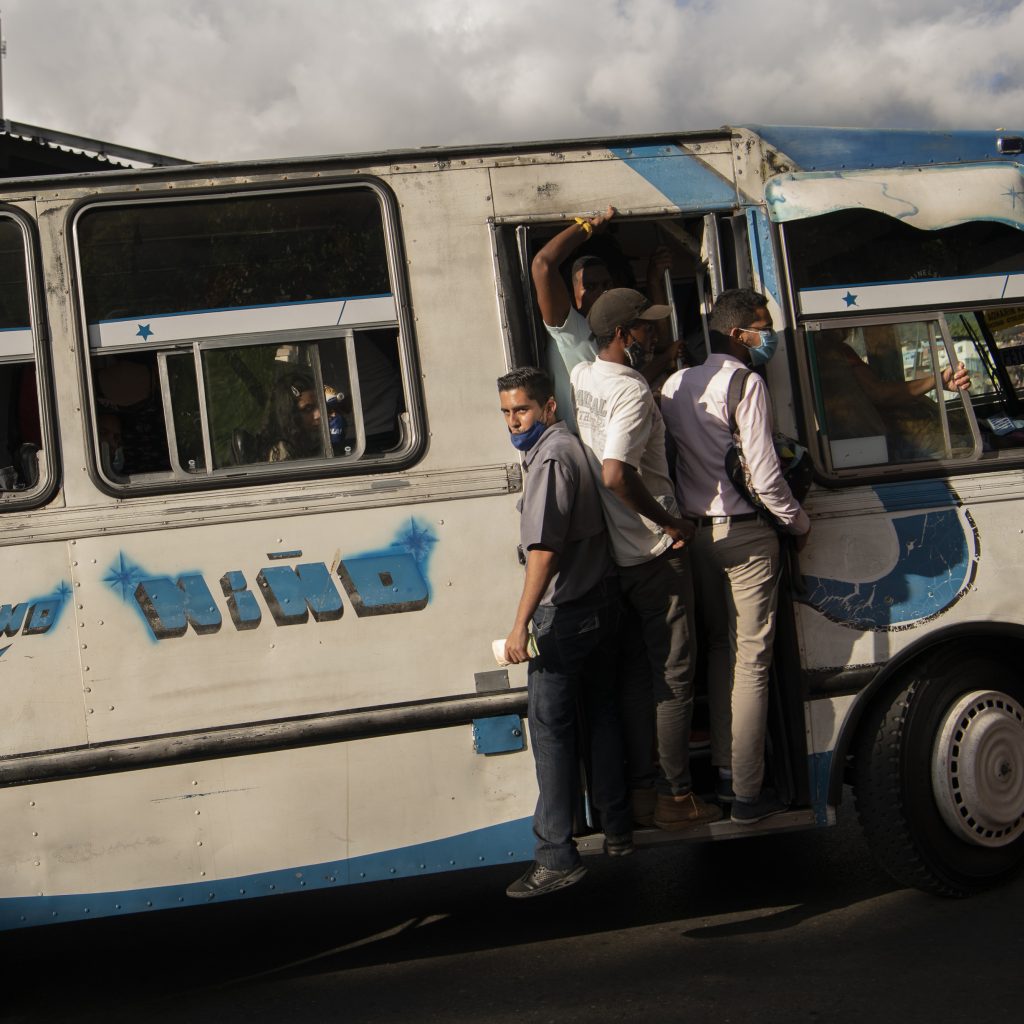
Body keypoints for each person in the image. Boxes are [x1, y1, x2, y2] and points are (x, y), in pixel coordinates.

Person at [571, 288, 721, 831]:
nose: (652, 335)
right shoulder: (631, 391)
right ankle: (675, 797)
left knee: (639, 679)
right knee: (674, 679)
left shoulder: (583, 377)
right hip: (657, 554)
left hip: (621, 557)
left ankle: (639, 792)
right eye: (645, 327)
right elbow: (616, 473)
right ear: (621, 334)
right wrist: (670, 524)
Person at [660, 288, 810, 824]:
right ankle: (747, 792)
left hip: (698, 535)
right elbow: (766, 479)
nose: (768, 337)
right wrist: (798, 523)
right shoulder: (747, 384)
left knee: (721, 651)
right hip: (746, 537)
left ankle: (725, 776)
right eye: (762, 327)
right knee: (752, 662)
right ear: (737, 333)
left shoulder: (675, 384)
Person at [498, 367, 632, 898]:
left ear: (548, 407)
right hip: (599, 603)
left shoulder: (551, 458)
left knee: (551, 731)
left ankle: (555, 855)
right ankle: (617, 827)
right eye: (507, 412)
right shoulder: (565, 447)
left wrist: (520, 624)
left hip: (566, 616)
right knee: (600, 716)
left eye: (522, 410)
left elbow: (544, 550)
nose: (514, 421)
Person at [530, 207, 680, 430]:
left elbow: (635, 373)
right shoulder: (569, 329)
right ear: (572, 294)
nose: (601, 292)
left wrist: (654, 279)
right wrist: (587, 227)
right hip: (581, 442)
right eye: (590, 287)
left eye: (606, 285)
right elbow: (542, 264)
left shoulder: (609, 331)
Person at [266, 373, 325, 462]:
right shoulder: (281, 454)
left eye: (320, 405)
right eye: (308, 409)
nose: (319, 415)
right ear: (291, 415)